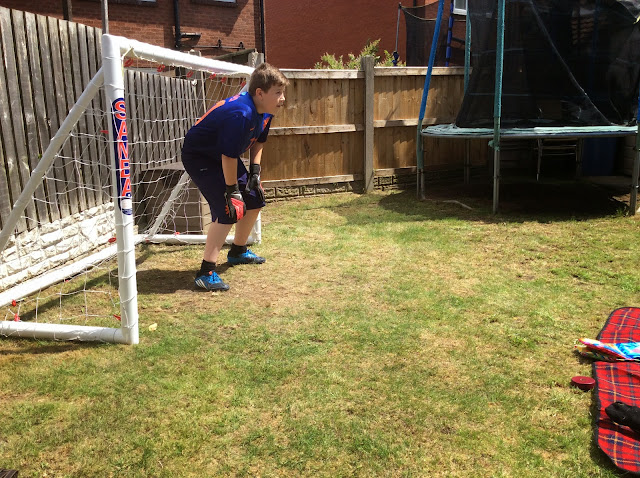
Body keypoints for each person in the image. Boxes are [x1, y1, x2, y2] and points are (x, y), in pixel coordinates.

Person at [181, 63, 289, 291]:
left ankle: (238, 251)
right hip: (201, 157)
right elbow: (228, 157)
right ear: (259, 93)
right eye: (278, 92)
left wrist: (255, 173)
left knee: (255, 200)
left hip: (222, 156)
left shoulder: (266, 111)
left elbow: (259, 141)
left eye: (283, 92)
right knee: (228, 209)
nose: (283, 98)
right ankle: (206, 272)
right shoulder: (242, 113)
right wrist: (232, 191)